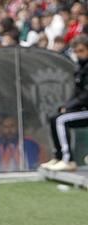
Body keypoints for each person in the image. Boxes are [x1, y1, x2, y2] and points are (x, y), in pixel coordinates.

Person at [42, 36, 88, 171]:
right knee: (54, 118)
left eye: (82, 50)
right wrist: (66, 106)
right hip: (83, 108)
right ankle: (59, 156)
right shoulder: (80, 67)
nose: (79, 54)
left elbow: (86, 95)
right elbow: (78, 92)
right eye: (76, 51)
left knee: (61, 120)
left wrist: (70, 106)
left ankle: (68, 160)